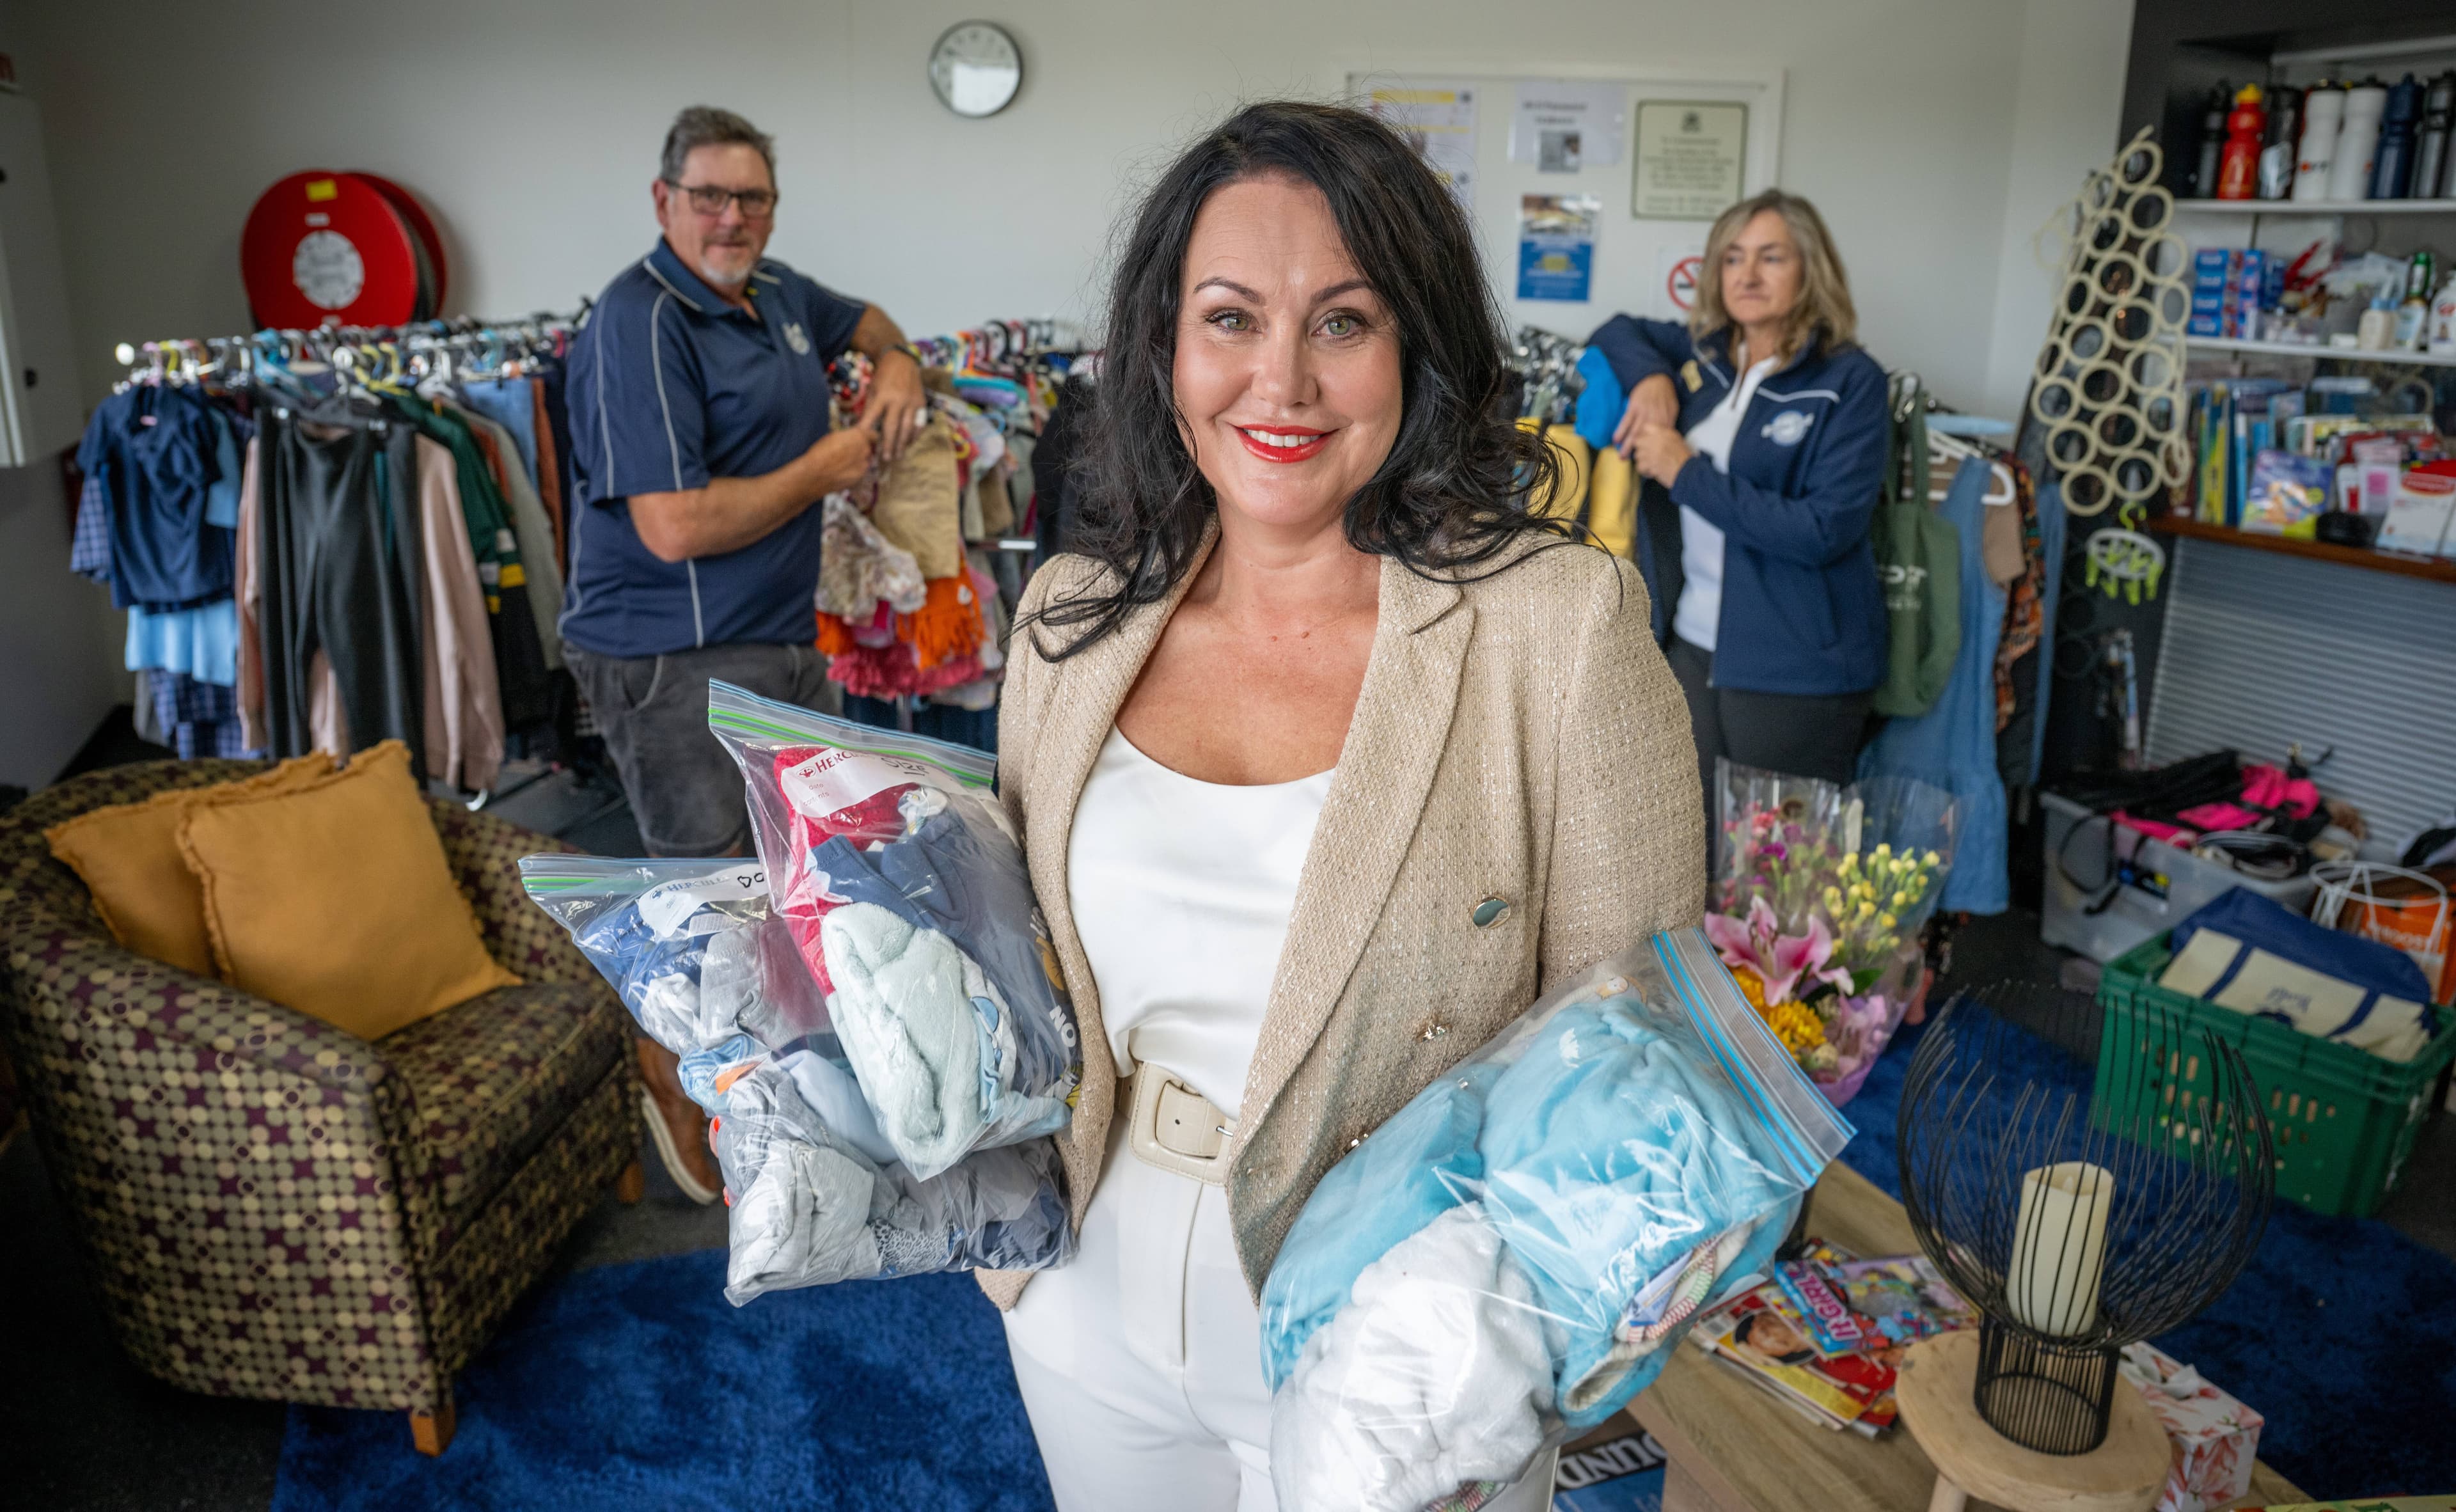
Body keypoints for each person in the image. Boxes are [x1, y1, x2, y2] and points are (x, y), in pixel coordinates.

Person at [984, 101, 1703, 1511]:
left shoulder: (1559, 627)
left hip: (1400, 1348)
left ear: (1417, 347)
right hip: (1086, 1291)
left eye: (1342, 321)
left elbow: (1637, 1069)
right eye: (1232, 318)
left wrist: (1493, 1366)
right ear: (1163, 350)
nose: (1282, 383)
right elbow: (1021, 976)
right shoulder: (1067, 624)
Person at [562, 105, 929, 1204]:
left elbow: (861, 316)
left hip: (777, 634)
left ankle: (782, 1075)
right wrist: (823, 468)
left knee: (800, 869)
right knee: (706, 892)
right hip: (669, 651)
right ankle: (678, 1084)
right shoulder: (639, 323)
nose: (733, 218)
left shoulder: (773, 294)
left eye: (753, 198)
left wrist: (899, 361)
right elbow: (672, 526)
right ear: (665, 200)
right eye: (711, 197)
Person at [1587, 190, 1889, 798]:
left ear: (1811, 269)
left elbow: (1823, 532)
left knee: (1781, 871)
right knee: (1686, 853)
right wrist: (1649, 379)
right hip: (1693, 647)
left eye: (1771, 258)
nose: (1746, 275)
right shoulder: (1707, 357)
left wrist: (1685, 471)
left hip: (1798, 668)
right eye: (1731, 258)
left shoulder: (1850, 381)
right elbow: (1615, 329)